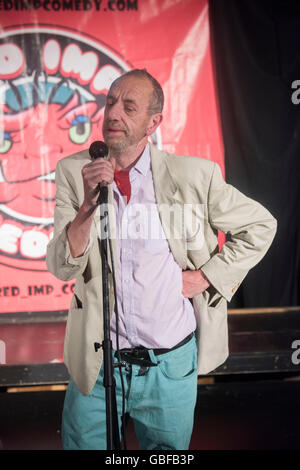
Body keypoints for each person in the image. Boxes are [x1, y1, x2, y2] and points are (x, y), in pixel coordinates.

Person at [46, 69, 277, 450]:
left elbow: (260, 225)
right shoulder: (74, 172)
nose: (114, 113)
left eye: (129, 107)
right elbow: (61, 266)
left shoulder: (193, 175)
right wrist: (87, 206)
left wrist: (206, 276)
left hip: (169, 367)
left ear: (154, 122)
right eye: (110, 103)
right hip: (99, 364)